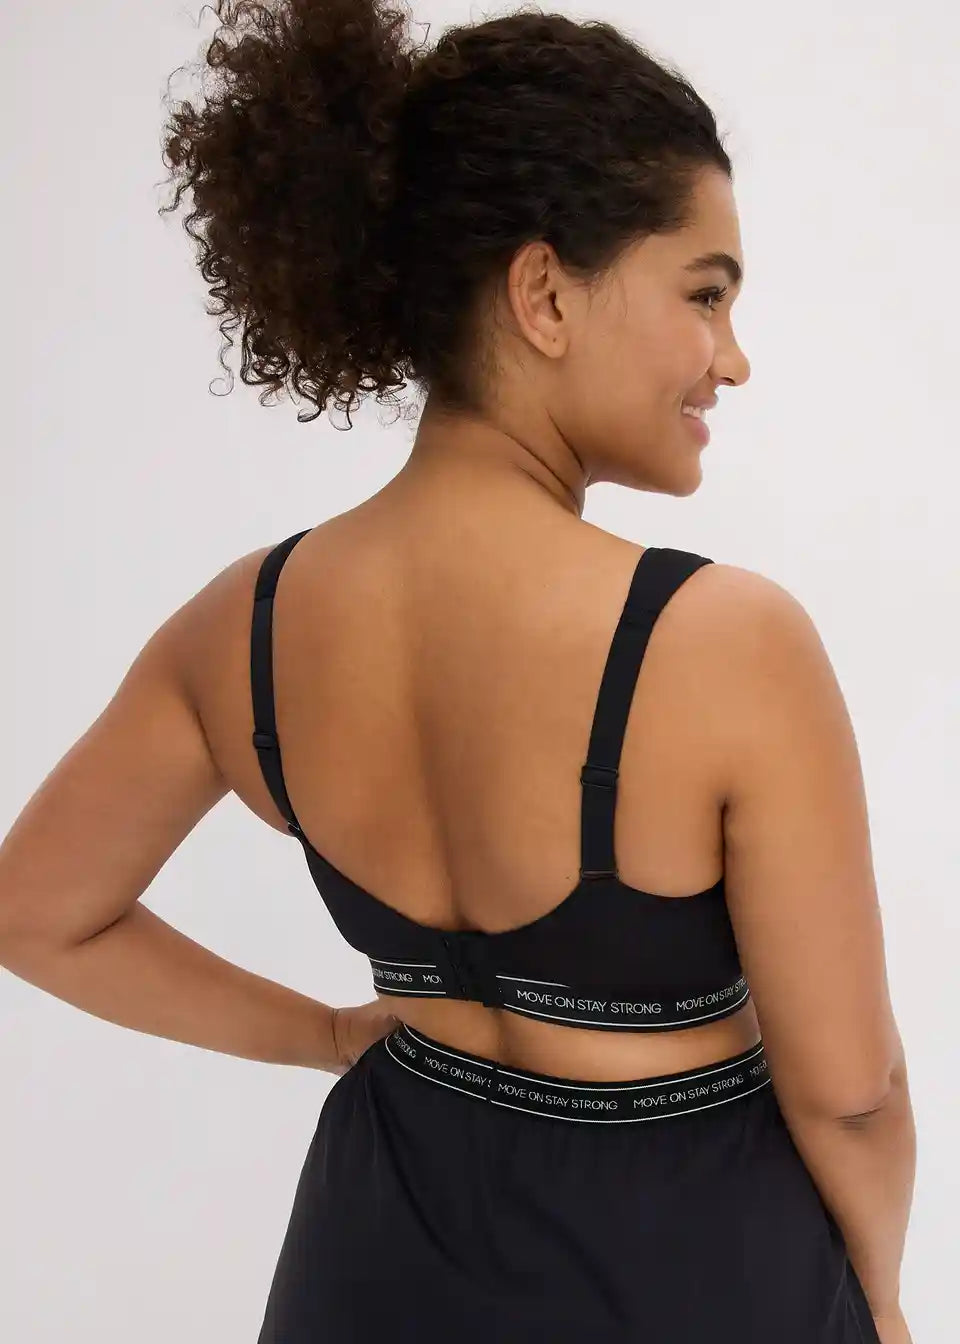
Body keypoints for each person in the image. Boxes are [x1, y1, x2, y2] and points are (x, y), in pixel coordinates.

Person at [0, 2, 915, 1340]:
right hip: (692, 1271)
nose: (732, 357)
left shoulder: (243, 625)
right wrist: (878, 1299)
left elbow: (35, 910)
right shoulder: (726, 641)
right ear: (544, 295)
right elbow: (850, 1093)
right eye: (705, 294)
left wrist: (328, 1037)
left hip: (374, 1256)